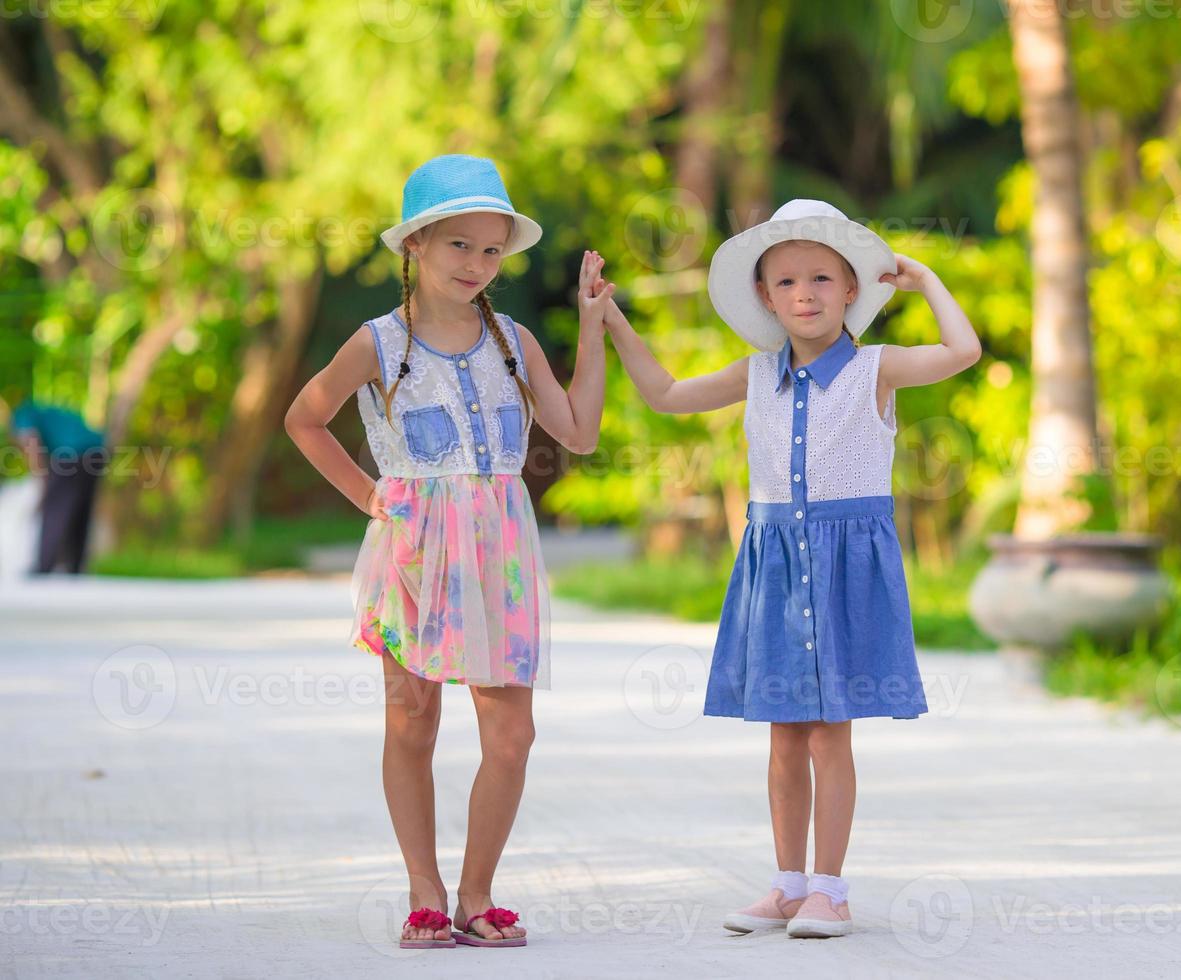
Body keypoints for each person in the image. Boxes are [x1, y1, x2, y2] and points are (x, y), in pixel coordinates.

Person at [601, 199, 980, 939]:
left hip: (846, 567)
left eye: (821, 279)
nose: (804, 294)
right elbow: (667, 394)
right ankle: (786, 884)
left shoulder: (877, 368)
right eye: (786, 282)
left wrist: (928, 279)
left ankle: (830, 891)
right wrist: (613, 320)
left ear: (849, 292)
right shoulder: (754, 375)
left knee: (830, 734)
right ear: (766, 298)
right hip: (775, 568)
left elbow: (962, 352)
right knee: (783, 734)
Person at [284, 155, 613, 950]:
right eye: (458, 245)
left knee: (511, 734)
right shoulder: (378, 343)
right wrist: (369, 495)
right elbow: (306, 417)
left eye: (492, 250)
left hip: (499, 546)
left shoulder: (514, 341)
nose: (476, 264)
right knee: (412, 718)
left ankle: (477, 892)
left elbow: (579, 431)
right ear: (418, 245)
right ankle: (423, 889)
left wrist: (593, 329)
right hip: (414, 545)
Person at [7, 396, 108, 574]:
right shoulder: (47, 411)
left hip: (70, 453)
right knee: (81, 510)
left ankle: (44, 567)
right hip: (97, 450)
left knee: (55, 510)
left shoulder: (22, 415)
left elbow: (31, 443)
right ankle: (76, 566)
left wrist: (41, 479)